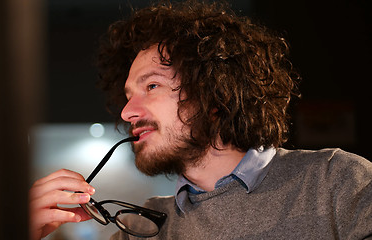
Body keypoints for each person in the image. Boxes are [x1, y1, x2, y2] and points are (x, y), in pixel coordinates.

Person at [29, 0, 372, 239]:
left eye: (152, 85)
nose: (126, 112)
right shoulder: (143, 229)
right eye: (128, 94)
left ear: (215, 91)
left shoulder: (338, 182)